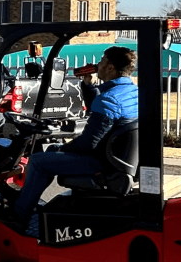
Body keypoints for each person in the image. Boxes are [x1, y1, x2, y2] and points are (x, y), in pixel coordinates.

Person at [8, 45, 139, 232]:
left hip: (101, 163)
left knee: (38, 161)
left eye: (102, 61)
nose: (97, 65)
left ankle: (19, 215)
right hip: (117, 159)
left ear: (111, 68)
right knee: (52, 151)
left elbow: (89, 142)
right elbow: (100, 110)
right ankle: (28, 201)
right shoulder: (132, 93)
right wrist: (88, 86)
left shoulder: (109, 99)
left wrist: (64, 148)